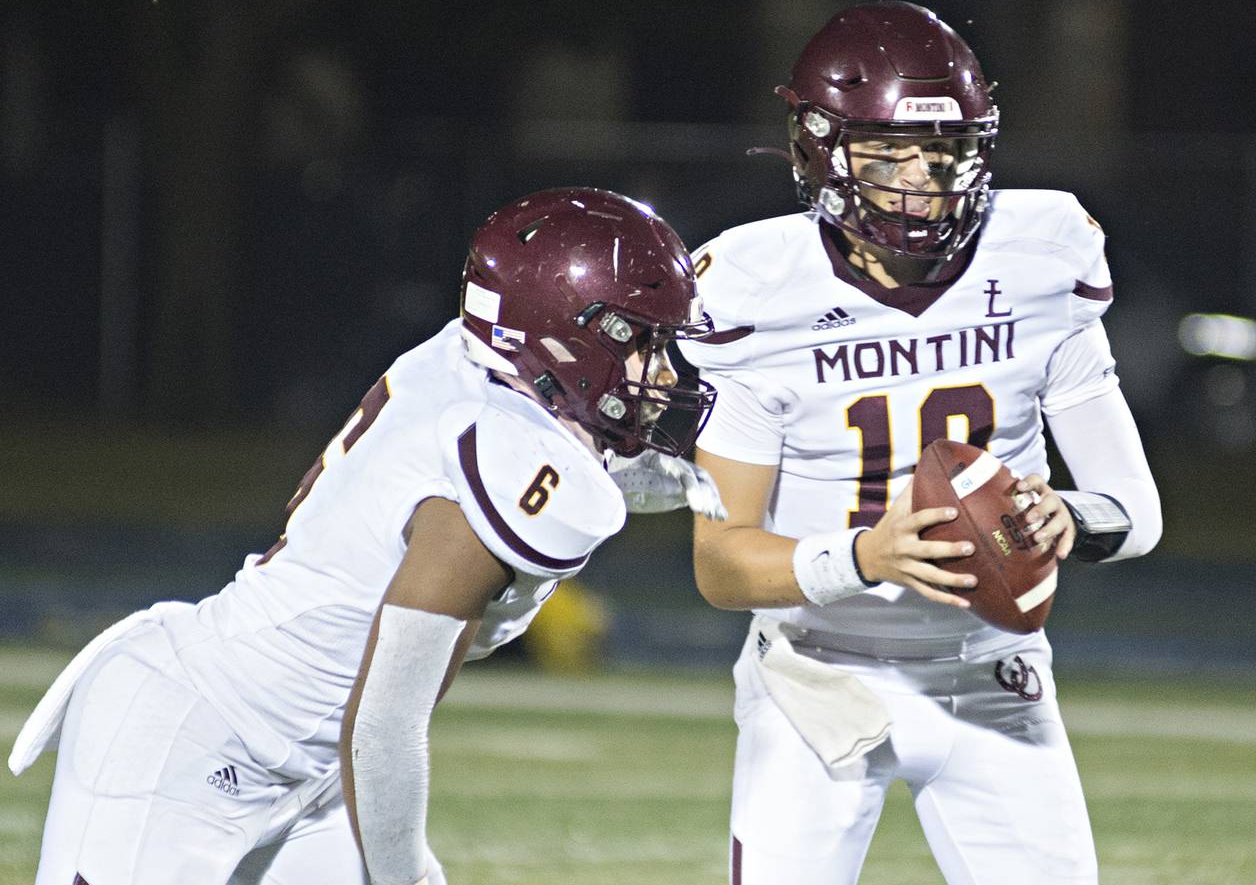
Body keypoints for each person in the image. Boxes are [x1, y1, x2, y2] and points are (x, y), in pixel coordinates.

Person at [8, 187, 724, 885]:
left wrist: (681, 483)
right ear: (561, 335)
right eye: (643, 341)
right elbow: (383, 722)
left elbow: (580, 461)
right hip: (192, 740)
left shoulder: (479, 373)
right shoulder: (489, 472)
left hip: (305, 769)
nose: (661, 371)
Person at [685, 1, 1163, 885]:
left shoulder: (1041, 257)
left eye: (942, 153)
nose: (921, 182)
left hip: (994, 670)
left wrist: (1067, 514)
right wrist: (868, 554)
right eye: (889, 152)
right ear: (819, 149)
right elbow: (721, 563)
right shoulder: (757, 287)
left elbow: (1136, 512)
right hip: (815, 676)